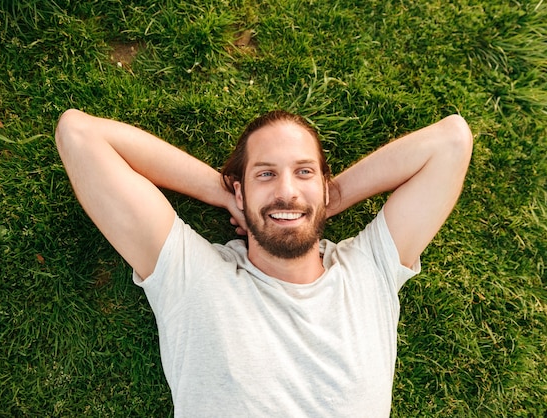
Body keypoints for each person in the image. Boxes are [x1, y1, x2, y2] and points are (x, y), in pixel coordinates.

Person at [55, 108, 472, 417]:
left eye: (304, 172)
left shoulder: (369, 269)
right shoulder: (192, 276)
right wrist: (224, 195)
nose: (286, 191)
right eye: (265, 175)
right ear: (240, 192)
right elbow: (79, 134)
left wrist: (327, 199)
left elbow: (451, 141)